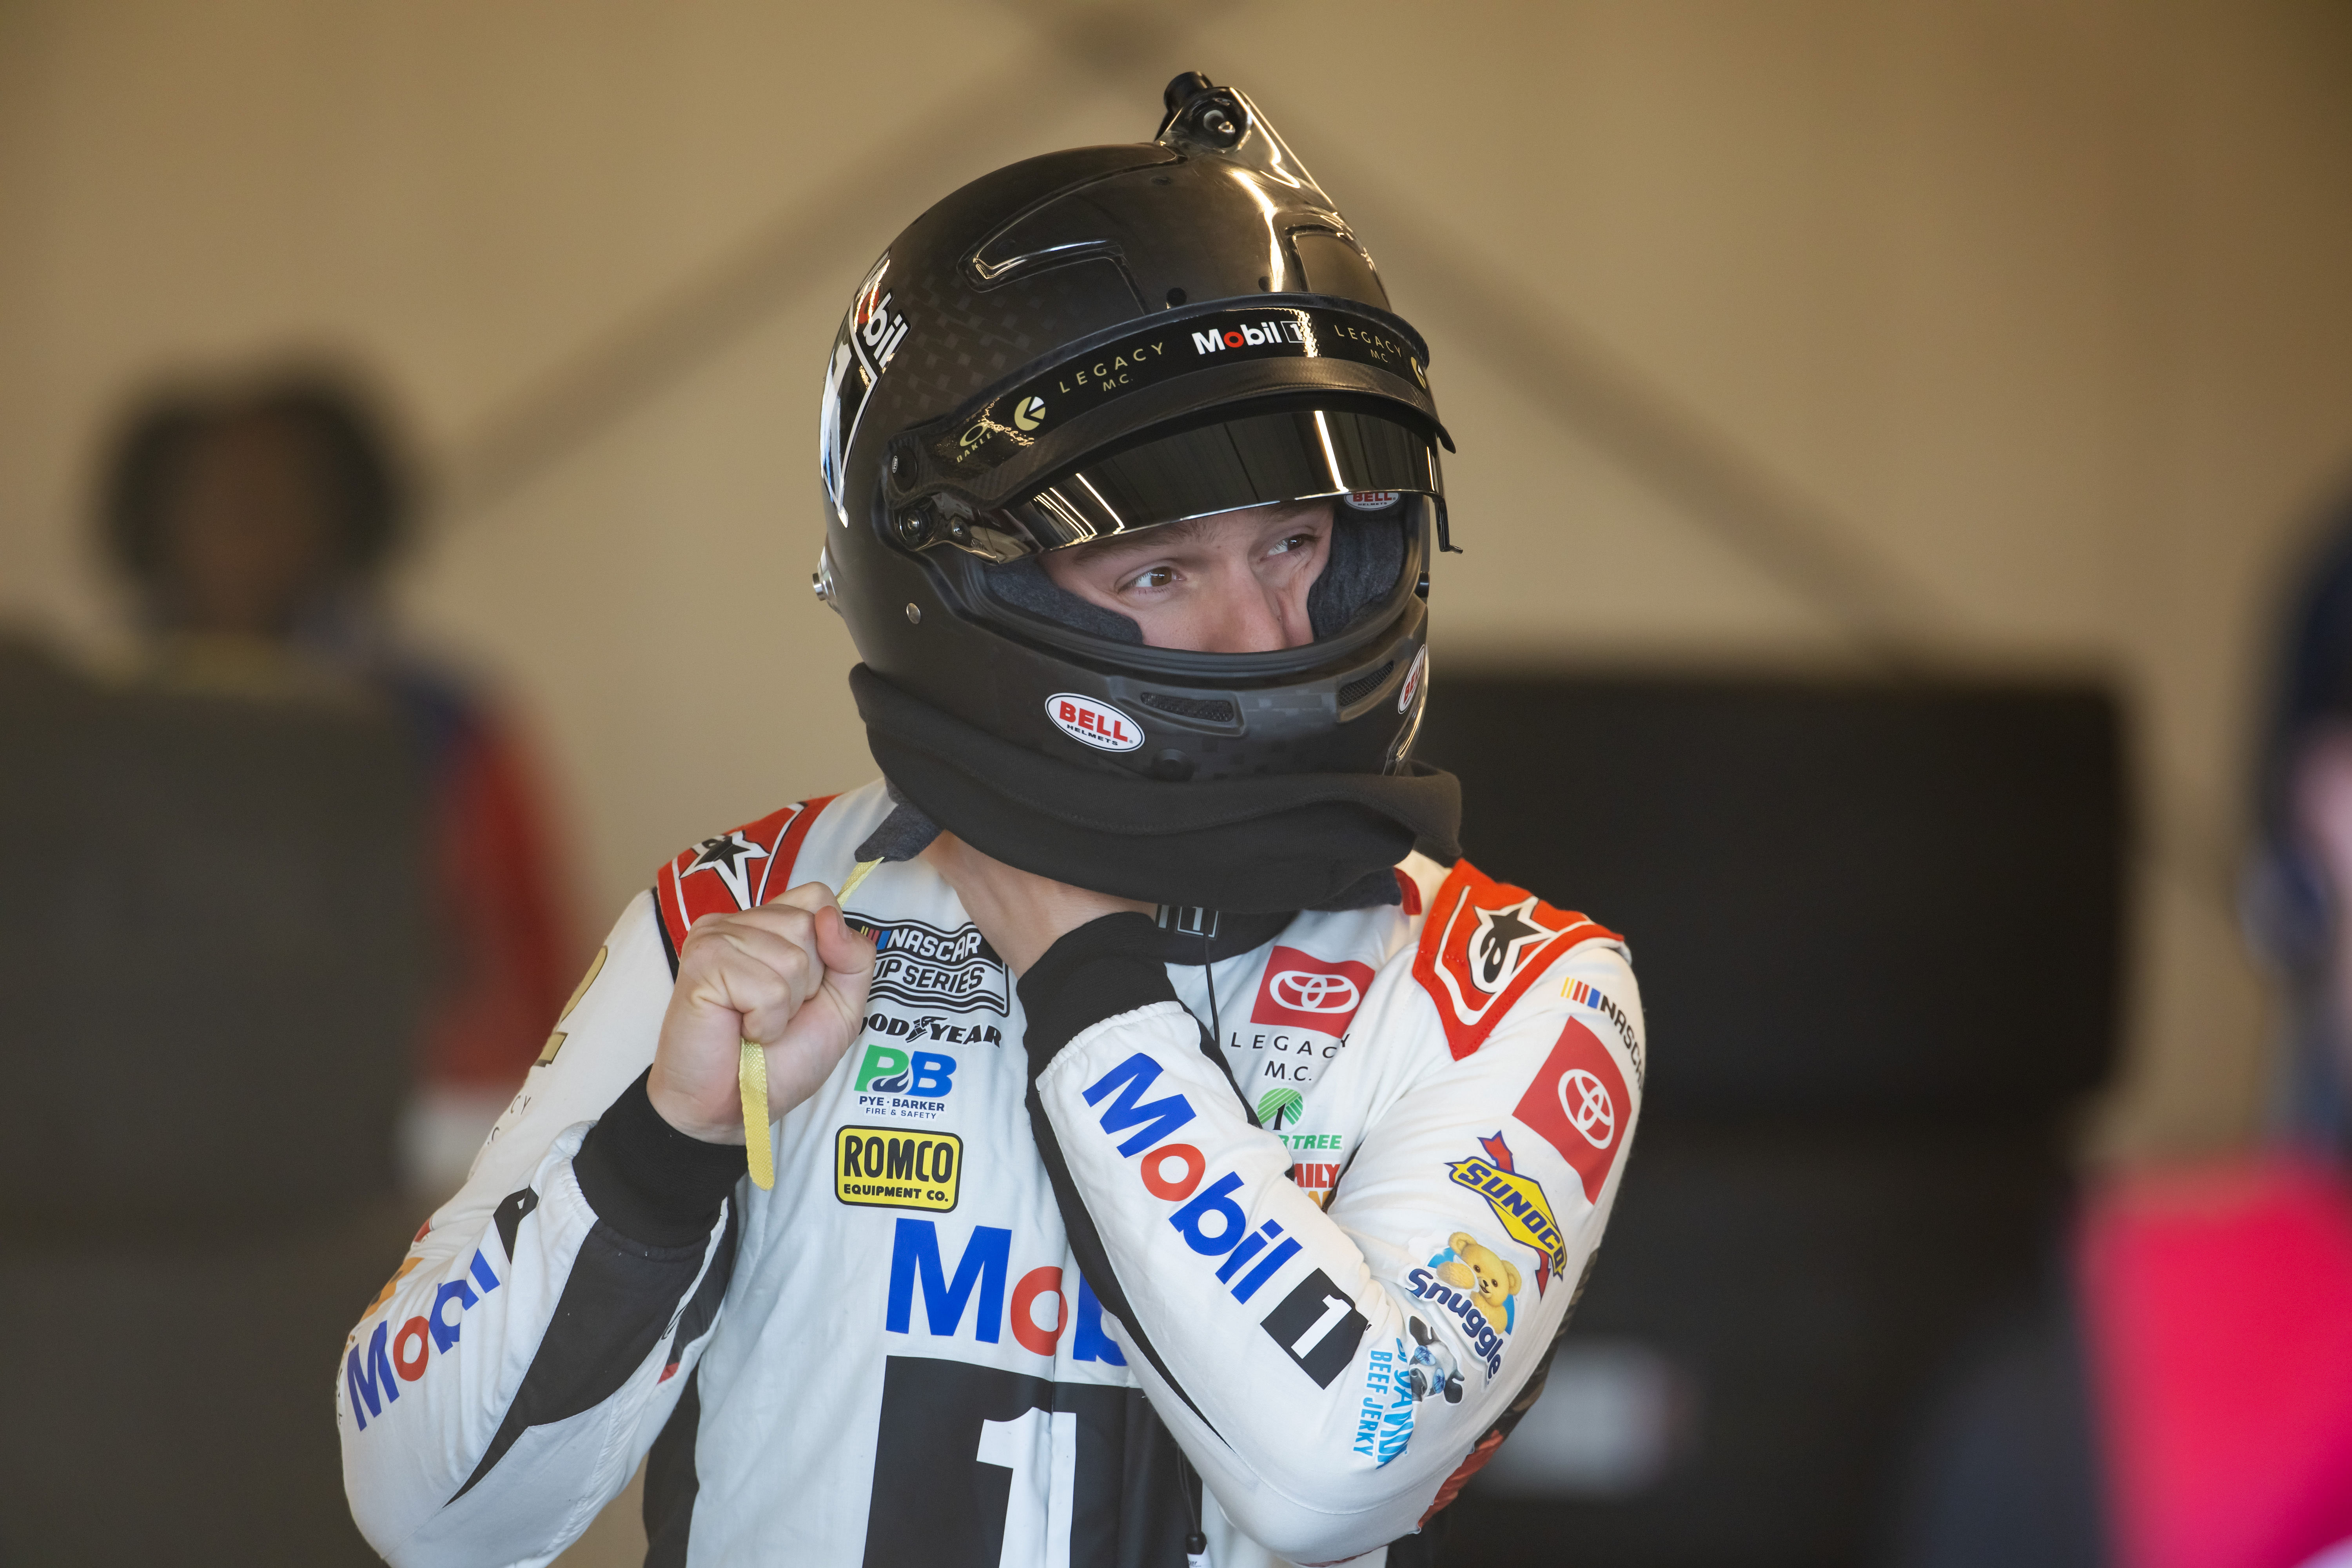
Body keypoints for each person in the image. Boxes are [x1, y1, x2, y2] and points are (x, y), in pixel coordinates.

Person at [337, 75, 1646, 1568]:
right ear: (965, 588)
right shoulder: (745, 913)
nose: (1260, 628)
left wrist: (1089, 994)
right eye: (1159, 574)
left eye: (1298, 544)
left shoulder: (1521, 990)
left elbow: (1337, 1469)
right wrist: (664, 1146)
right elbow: (420, 1509)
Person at [101, 372, 577, 1195]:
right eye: (214, 499)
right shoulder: (93, 728)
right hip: (143, 1138)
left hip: (401, 1142)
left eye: (275, 498)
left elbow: (525, 978)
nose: (243, 526)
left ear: (341, 517)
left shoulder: (443, 723)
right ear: (156, 521)